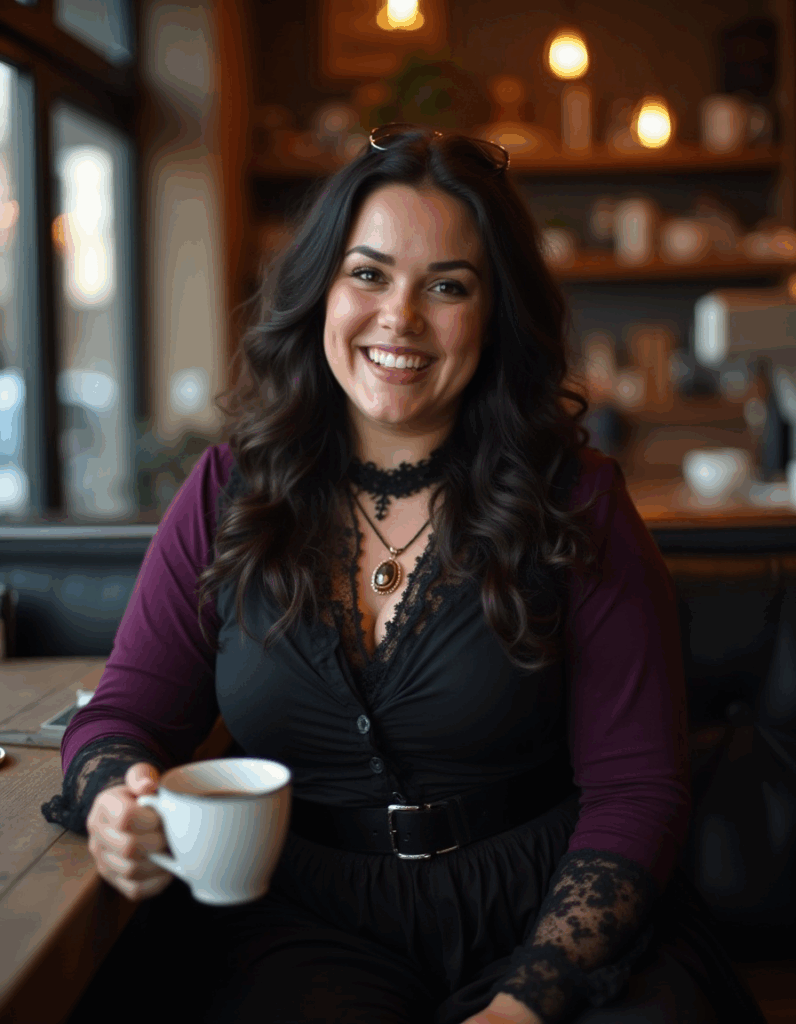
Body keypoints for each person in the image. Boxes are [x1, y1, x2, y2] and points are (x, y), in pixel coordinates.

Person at [43, 124, 765, 1024]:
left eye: (449, 286)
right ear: (322, 291)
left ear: (496, 314)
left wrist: (527, 1001)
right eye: (369, 273)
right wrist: (115, 797)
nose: (401, 318)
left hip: (551, 910)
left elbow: (638, 789)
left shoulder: (578, 499)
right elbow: (123, 718)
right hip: (297, 924)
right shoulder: (228, 490)